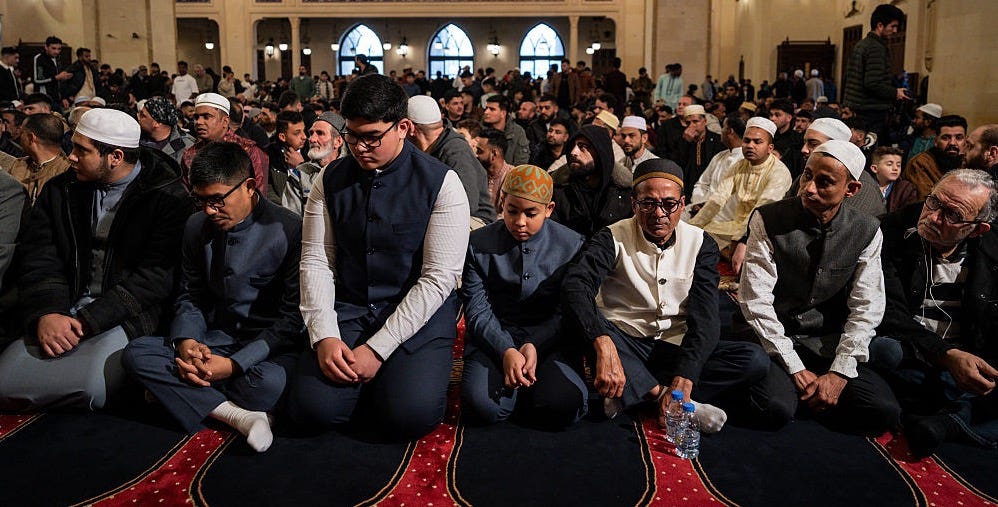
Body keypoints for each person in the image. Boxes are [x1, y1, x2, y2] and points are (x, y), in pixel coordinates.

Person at [288, 74, 470, 439]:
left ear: (403, 128)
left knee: (408, 416)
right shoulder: (329, 178)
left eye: (372, 137)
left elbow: (438, 279)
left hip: (418, 313)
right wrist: (324, 335)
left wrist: (377, 349)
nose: (359, 147)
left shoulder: (442, 182)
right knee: (309, 410)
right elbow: (317, 261)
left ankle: (385, 386)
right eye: (352, 135)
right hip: (352, 307)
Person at [0, 109, 190, 411]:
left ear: (115, 156)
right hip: (61, 307)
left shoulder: (167, 199)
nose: (71, 157)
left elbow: (153, 279)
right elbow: (40, 256)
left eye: (81, 150)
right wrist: (48, 312)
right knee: (6, 383)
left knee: (89, 389)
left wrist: (86, 322)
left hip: (122, 315)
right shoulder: (60, 190)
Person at [123, 142, 303, 453]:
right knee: (136, 353)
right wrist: (187, 342)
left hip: (267, 350)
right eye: (201, 200)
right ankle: (239, 416)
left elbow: (291, 320)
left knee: (269, 384)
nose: (209, 210)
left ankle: (178, 391)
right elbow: (190, 294)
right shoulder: (196, 226)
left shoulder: (289, 229)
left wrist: (234, 365)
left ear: (249, 186)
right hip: (214, 339)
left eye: (217, 200)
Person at [563, 158, 770, 428]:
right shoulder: (611, 237)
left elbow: (706, 317)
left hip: (674, 345)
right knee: (585, 325)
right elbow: (576, 285)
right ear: (634, 205)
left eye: (669, 204)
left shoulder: (700, 243)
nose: (658, 213)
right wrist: (603, 342)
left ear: (682, 204)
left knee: (753, 360)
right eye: (648, 203)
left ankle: (635, 389)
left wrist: (686, 375)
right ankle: (664, 397)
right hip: (625, 341)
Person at [738, 140, 900, 434]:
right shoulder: (768, 218)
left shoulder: (866, 229)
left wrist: (839, 373)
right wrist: (795, 367)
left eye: (824, 182)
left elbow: (867, 307)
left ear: (851, 190)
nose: (809, 188)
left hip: (826, 343)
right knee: (774, 409)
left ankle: (814, 395)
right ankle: (806, 396)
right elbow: (755, 302)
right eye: (807, 175)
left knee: (884, 411)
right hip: (773, 338)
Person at [874, 170, 998, 455]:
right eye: (933, 202)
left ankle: (947, 421)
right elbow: (888, 313)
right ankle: (958, 416)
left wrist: (973, 364)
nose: (932, 217)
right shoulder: (891, 231)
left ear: (977, 229)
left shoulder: (992, 251)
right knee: (883, 351)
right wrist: (946, 355)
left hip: (965, 360)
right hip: (912, 351)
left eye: (952, 215)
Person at [461, 164, 588, 428]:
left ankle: (532, 387)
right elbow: (477, 310)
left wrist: (534, 344)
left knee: (564, 404)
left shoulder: (572, 245)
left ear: (549, 209)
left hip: (552, 340)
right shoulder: (477, 243)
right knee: (482, 407)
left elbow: (566, 311)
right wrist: (505, 349)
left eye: (531, 214)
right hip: (494, 339)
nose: (520, 222)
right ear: (501, 202)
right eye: (512, 211)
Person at [687, 117, 792, 253]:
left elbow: (761, 212)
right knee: (697, 236)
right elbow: (717, 199)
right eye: (746, 141)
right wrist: (692, 227)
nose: (750, 145)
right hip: (735, 227)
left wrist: (740, 239)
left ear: (770, 148)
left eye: (757, 142)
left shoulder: (779, 172)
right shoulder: (739, 166)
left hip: (764, 231)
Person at [407, 95, 495, 227]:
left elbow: (467, 203)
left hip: (475, 221)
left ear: (410, 128)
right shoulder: (425, 149)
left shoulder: (456, 151)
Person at [550, 125, 632, 238]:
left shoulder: (624, 195)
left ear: (600, 152)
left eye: (583, 147)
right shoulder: (559, 191)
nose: (573, 152)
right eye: (572, 146)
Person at [842, 4, 909, 140]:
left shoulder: (862, 44)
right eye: (893, 26)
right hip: (871, 111)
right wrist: (895, 92)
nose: (895, 31)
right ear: (880, 25)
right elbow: (872, 83)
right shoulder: (876, 48)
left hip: (859, 108)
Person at [181, 92, 269, 195]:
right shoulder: (190, 155)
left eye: (206, 117)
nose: (199, 122)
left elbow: (258, 194)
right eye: (196, 117)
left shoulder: (249, 151)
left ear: (225, 121)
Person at [270, 112, 344, 216]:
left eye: (320, 133)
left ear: (338, 141)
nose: (311, 139)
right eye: (311, 133)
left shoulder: (352, 171)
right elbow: (291, 218)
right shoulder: (299, 175)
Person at [0, 113, 71, 205]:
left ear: (30, 138)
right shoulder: (17, 165)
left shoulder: (67, 171)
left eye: (22, 133)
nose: (20, 137)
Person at [904, 115, 968, 200]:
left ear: (966, 141)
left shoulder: (968, 161)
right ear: (935, 141)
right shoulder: (920, 163)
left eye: (959, 138)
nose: (952, 143)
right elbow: (928, 201)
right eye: (945, 138)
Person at [137, 96, 195, 166]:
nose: (138, 116)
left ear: (157, 123)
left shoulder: (187, 147)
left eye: (142, 115)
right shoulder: (136, 138)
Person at [483, 94, 530, 166]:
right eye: (486, 108)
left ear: (503, 113)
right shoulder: (480, 129)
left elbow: (521, 161)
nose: (486, 112)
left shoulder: (517, 132)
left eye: (492, 109)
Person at [475, 129, 513, 217]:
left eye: (480, 151)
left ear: (494, 154)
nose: (476, 155)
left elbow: (508, 215)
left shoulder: (513, 177)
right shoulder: (476, 172)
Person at [869, 146, 917, 213]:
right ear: (874, 168)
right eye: (889, 164)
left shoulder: (906, 189)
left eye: (898, 165)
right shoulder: (866, 185)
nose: (895, 168)